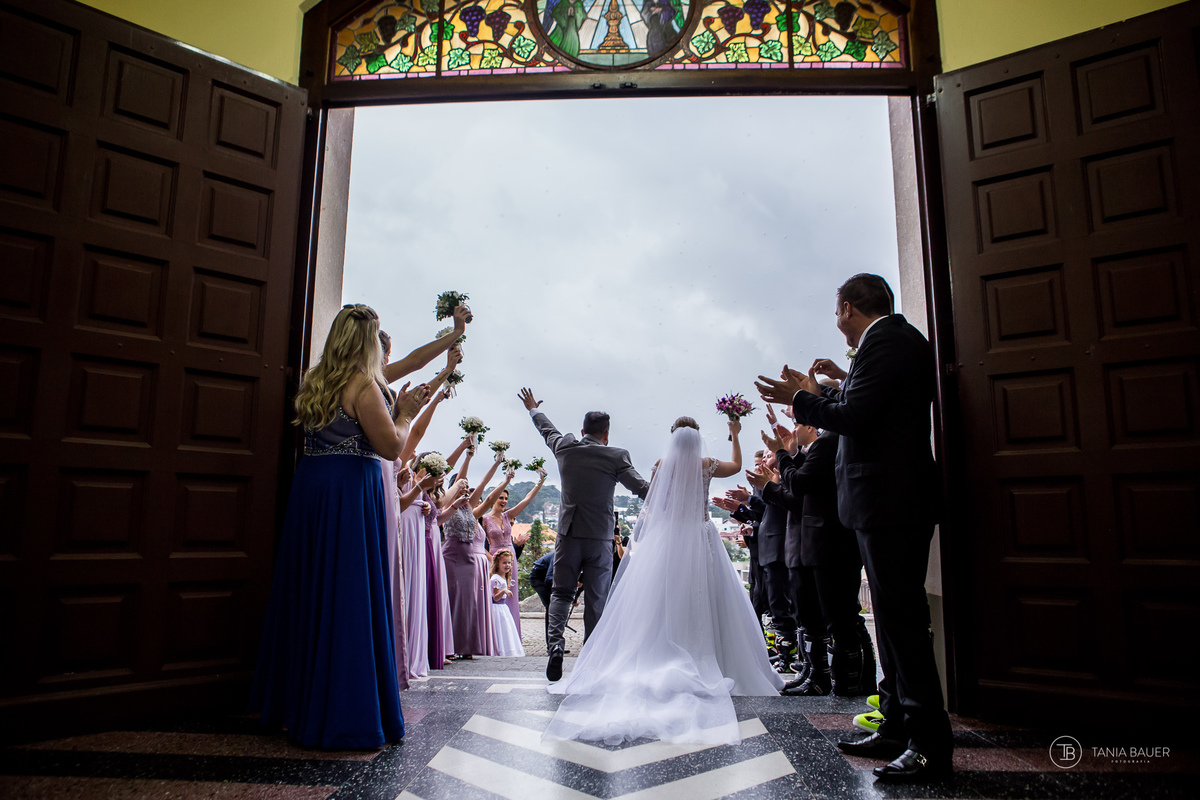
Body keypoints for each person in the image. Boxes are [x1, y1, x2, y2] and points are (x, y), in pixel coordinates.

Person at [756, 273, 952, 782]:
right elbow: (863, 402)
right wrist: (824, 387)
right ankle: (896, 723)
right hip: (883, 503)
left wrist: (801, 397)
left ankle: (929, 742)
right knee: (889, 619)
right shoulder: (890, 342)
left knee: (902, 621)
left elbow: (856, 414)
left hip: (891, 501)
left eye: (836, 313)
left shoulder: (887, 338)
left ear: (846, 308)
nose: (837, 322)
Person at [250, 303, 450, 748]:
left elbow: (414, 359)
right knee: (347, 596)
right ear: (367, 341)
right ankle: (344, 712)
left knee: (310, 592)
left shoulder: (317, 380)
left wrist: (452, 337)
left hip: (312, 490)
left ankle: (295, 705)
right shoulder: (364, 386)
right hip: (348, 492)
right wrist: (406, 413)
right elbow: (391, 449)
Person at [544, 417, 783, 745]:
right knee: (707, 597)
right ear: (697, 438)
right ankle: (715, 657)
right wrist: (736, 435)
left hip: (669, 538)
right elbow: (739, 465)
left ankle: (661, 650)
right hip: (701, 537)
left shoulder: (661, 464)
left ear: (672, 438)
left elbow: (653, 502)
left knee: (663, 600)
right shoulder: (708, 465)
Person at [519, 389, 650, 682]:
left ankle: (555, 645)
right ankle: (591, 657)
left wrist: (532, 409)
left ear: (582, 431)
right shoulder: (616, 456)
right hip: (601, 538)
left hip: (568, 534)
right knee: (596, 598)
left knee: (561, 594)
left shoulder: (565, 447)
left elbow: (547, 431)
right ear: (607, 434)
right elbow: (642, 488)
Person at [481, 466, 548, 637]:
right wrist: (492, 560)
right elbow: (480, 544)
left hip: (511, 561)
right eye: (500, 498)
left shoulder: (507, 515)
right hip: (494, 561)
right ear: (493, 498)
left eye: (505, 498)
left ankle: (513, 636)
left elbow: (526, 501)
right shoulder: (485, 519)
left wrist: (539, 483)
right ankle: (496, 636)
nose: (503, 501)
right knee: (497, 595)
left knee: (512, 595)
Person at [489, 550, 525, 657]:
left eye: (509, 563)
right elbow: (495, 598)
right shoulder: (496, 579)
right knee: (499, 629)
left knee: (506, 629)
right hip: (497, 608)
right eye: (504, 563)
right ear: (497, 564)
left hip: (503, 608)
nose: (507, 565)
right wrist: (504, 591)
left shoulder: (502, 578)